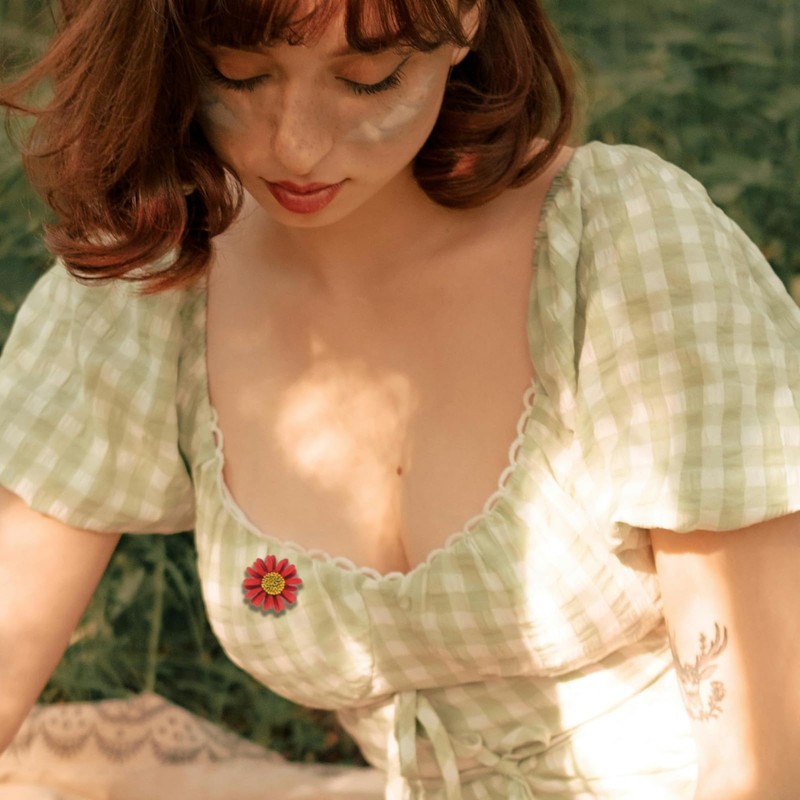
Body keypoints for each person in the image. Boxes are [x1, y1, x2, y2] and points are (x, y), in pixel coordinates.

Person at [0, 0, 798, 797]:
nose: (296, 144)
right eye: (239, 75)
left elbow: (761, 767)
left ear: (466, 17)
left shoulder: (622, 245)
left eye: (369, 79)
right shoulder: (161, 280)